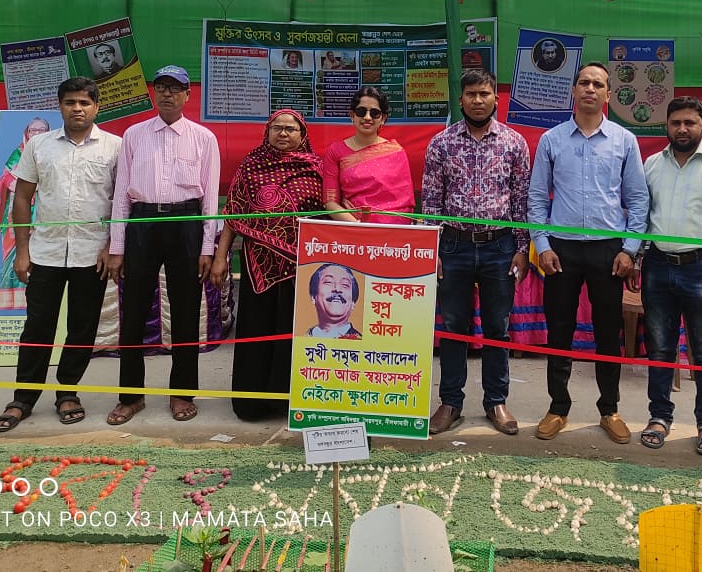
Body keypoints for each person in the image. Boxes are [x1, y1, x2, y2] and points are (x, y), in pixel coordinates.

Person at [0, 78, 122, 432]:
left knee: (82, 327)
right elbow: (21, 198)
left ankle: (68, 392)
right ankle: (23, 398)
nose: (77, 109)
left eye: (84, 103)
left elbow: (122, 202)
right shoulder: (39, 145)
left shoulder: (116, 147)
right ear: (59, 106)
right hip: (44, 252)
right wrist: (22, 250)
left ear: (97, 107)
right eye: (70, 102)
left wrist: (112, 246)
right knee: (37, 326)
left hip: (92, 254)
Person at [528, 61, 649, 444]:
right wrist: (542, 245)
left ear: (609, 95)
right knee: (559, 330)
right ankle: (557, 407)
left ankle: (609, 409)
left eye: (598, 84)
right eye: (584, 83)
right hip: (560, 251)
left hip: (608, 253)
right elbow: (537, 198)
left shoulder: (624, 141)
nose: (590, 89)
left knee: (607, 333)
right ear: (573, 91)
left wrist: (630, 249)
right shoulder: (551, 140)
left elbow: (638, 199)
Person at [106, 65, 221, 425]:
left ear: (188, 94)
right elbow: (121, 195)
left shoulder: (204, 138)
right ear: (154, 92)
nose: (168, 93)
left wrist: (207, 247)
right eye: (161, 87)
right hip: (142, 222)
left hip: (186, 223)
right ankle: (131, 397)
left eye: (175, 88)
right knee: (133, 312)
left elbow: (211, 199)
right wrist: (117, 246)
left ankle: (182, 393)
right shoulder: (134, 135)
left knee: (186, 312)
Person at [421, 70, 531, 436]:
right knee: (454, 326)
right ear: (461, 99)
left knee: (498, 326)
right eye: (471, 94)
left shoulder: (514, 143)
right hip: (453, 245)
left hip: (500, 245)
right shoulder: (441, 143)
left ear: (496, 98)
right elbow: (431, 201)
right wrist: (433, 249)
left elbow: (521, 199)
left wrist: (522, 248)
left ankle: (496, 401)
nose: (478, 100)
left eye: (485, 93)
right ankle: (450, 403)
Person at [638, 96, 702, 455]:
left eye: (690, 123)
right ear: (666, 126)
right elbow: (642, 217)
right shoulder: (651, 165)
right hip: (657, 266)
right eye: (676, 123)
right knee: (659, 348)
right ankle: (659, 416)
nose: (682, 129)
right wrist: (637, 259)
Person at [211, 109, 324, 420]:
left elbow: (329, 212)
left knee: (294, 328)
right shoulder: (251, 165)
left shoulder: (316, 168)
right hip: (257, 264)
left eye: (291, 129)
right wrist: (221, 257)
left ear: (302, 135)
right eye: (277, 128)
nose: (283, 133)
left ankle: (290, 400)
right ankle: (253, 403)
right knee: (257, 326)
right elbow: (233, 214)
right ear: (267, 132)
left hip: (302, 266)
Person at [322, 86, 414, 225]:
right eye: (361, 111)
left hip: (391, 230)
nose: (367, 117)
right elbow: (330, 203)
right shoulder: (335, 151)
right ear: (352, 115)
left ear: (383, 118)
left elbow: (404, 204)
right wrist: (358, 224)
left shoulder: (396, 152)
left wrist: (377, 226)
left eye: (375, 113)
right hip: (351, 228)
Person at [0, 116, 52, 311]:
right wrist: (28, 189)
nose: (37, 134)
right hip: (19, 212)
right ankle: (13, 298)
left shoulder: (55, 154)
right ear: (27, 132)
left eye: (42, 130)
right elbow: (7, 179)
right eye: (34, 130)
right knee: (17, 254)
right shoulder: (18, 153)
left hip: (46, 212)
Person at [306, 264, 363, 338]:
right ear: (314, 297)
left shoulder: (362, 342)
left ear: (353, 302)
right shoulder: (303, 337)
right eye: (328, 282)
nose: (337, 289)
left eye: (345, 284)